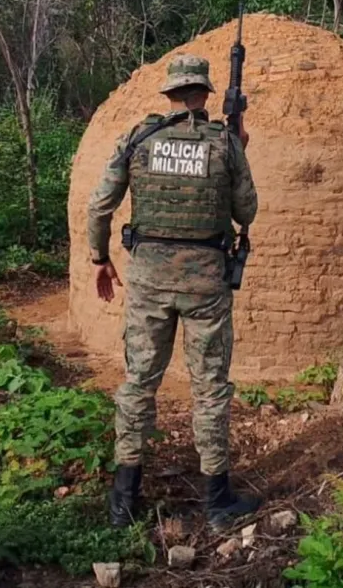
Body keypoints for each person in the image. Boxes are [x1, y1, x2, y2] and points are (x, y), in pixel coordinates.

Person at [86, 54, 260, 529]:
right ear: (203, 95)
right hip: (205, 281)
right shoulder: (224, 142)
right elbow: (247, 212)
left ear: (169, 94)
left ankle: (124, 499)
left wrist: (100, 259)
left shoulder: (140, 138)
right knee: (209, 387)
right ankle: (217, 501)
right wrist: (239, 147)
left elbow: (99, 206)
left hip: (148, 281)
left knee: (139, 381)